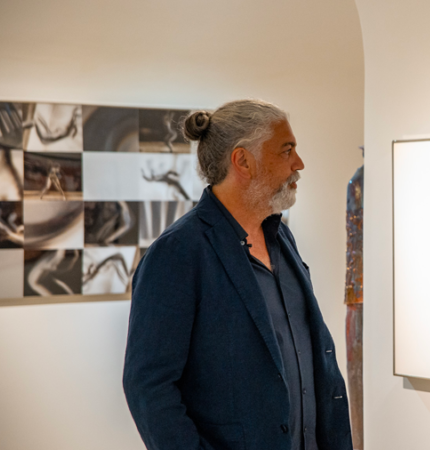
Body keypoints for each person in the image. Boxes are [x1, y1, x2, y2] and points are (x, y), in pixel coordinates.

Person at [123, 99, 352, 450]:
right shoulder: (179, 252)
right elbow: (149, 386)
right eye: (286, 150)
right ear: (243, 161)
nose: (298, 163)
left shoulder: (281, 237)